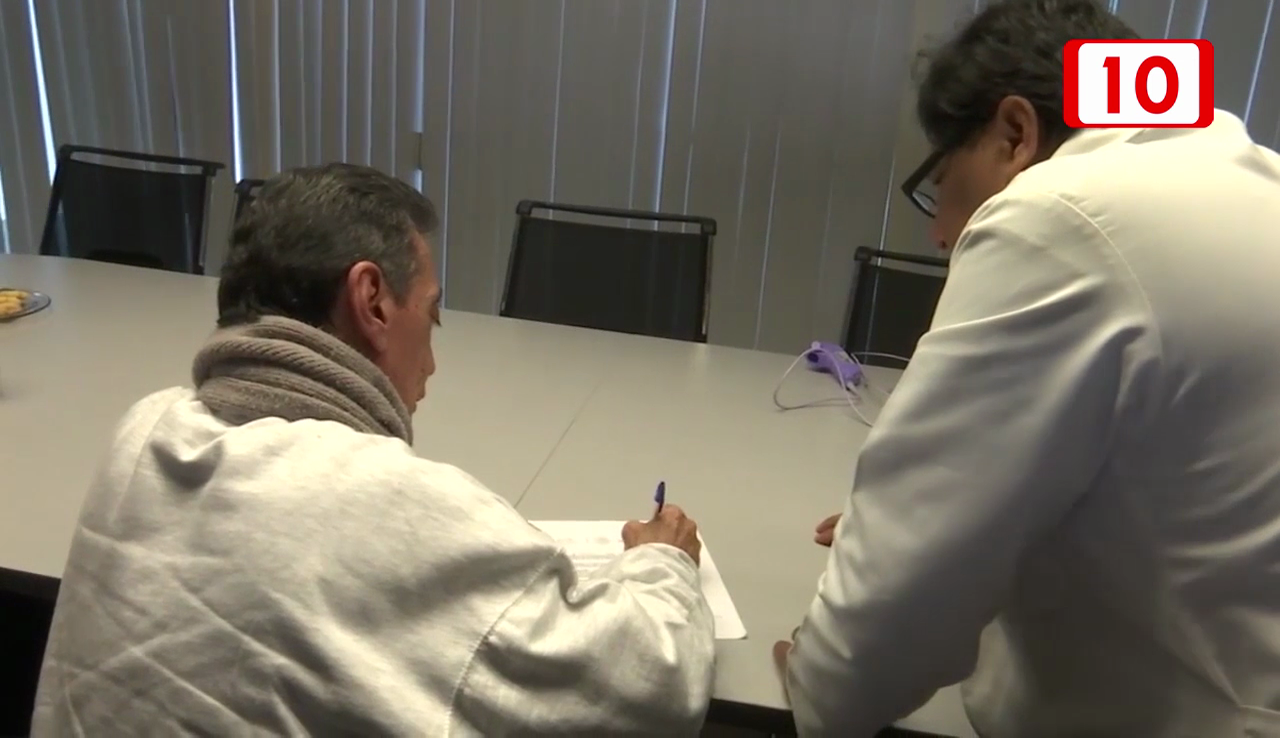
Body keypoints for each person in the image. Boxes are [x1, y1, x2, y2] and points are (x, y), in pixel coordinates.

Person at [31, 163, 715, 736]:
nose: (433, 365)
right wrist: (662, 561)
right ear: (373, 302)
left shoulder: (145, 430)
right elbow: (651, 686)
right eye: (432, 315)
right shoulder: (395, 505)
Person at [778, 0, 1280, 735]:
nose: (940, 231)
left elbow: (892, 615)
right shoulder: (1252, 182)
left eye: (939, 182)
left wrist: (818, 678)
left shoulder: (1058, 215)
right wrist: (970, 515)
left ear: (1015, 133)